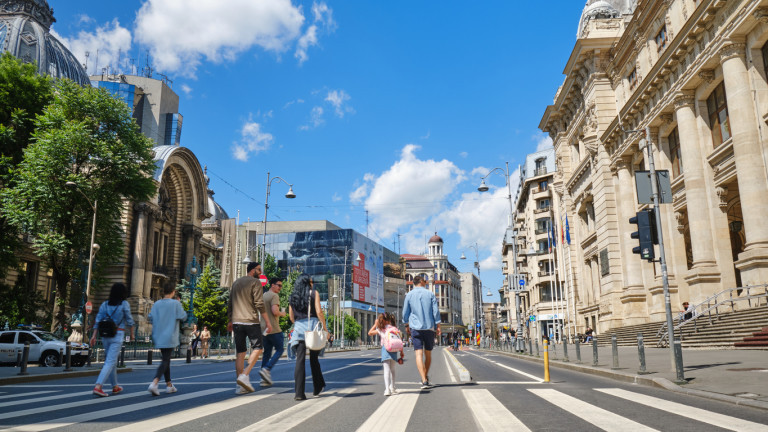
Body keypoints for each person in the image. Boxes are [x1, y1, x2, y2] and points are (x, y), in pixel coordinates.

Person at [228, 261, 271, 394]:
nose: (261, 272)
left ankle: (240, 386)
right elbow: (259, 303)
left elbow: (230, 303)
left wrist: (230, 320)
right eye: (259, 270)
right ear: (252, 270)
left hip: (236, 321)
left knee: (240, 352)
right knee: (258, 348)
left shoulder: (236, 283)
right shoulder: (255, 282)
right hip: (250, 320)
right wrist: (267, 322)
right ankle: (244, 375)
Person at [90, 283, 135, 397]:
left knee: (111, 361)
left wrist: (94, 336)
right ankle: (98, 386)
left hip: (105, 335)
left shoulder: (105, 304)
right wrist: (132, 335)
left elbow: (98, 320)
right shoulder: (124, 304)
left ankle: (115, 386)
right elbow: (130, 320)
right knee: (110, 362)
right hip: (117, 334)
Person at [289, 275, 328, 401]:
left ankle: (299, 393)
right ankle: (317, 387)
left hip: (299, 329)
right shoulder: (314, 293)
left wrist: (299, 323)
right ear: (307, 283)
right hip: (312, 329)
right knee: (314, 359)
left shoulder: (293, 296)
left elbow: (291, 317)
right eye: (311, 281)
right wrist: (325, 328)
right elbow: (318, 311)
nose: (313, 283)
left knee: (299, 361)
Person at [147, 282, 187, 396]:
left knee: (166, 360)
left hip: (158, 335)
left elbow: (150, 317)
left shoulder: (157, 304)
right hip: (170, 335)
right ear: (173, 292)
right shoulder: (175, 303)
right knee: (165, 360)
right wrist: (179, 305)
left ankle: (169, 385)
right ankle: (155, 382)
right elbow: (183, 316)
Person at [402, 275, 441, 389]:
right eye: (425, 280)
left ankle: (424, 379)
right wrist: (438, 326)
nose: (426, 281)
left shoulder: (409, 295)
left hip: (415, 327)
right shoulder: (430, 294)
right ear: (421, 282)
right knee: (428, 354)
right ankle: (425, 378)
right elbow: (435, 312)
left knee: (418, 354)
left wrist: (406, 324)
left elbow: (405, 312)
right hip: (429, 327)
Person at [367, 312, 404, 396]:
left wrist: (375, 324)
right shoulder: (394, 328)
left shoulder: (381, 329)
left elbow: (370, 333)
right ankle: (393, 387)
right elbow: (399, 339)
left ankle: (387, 390)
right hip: (394, 350)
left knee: (386, 370)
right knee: (393, 370)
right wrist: (401, 352)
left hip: (386, 350)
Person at [259, 277, 286, 386]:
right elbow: (275, 311)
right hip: (274, 328)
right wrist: (282, 314)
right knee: (280, 349)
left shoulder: (264, 295)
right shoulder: (274, 296)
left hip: (264, 328)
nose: (280, 287)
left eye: (281, 285)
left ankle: (263, 380)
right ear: (272, 285)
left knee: (267, 352)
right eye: (278, 285)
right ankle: (267, 369)